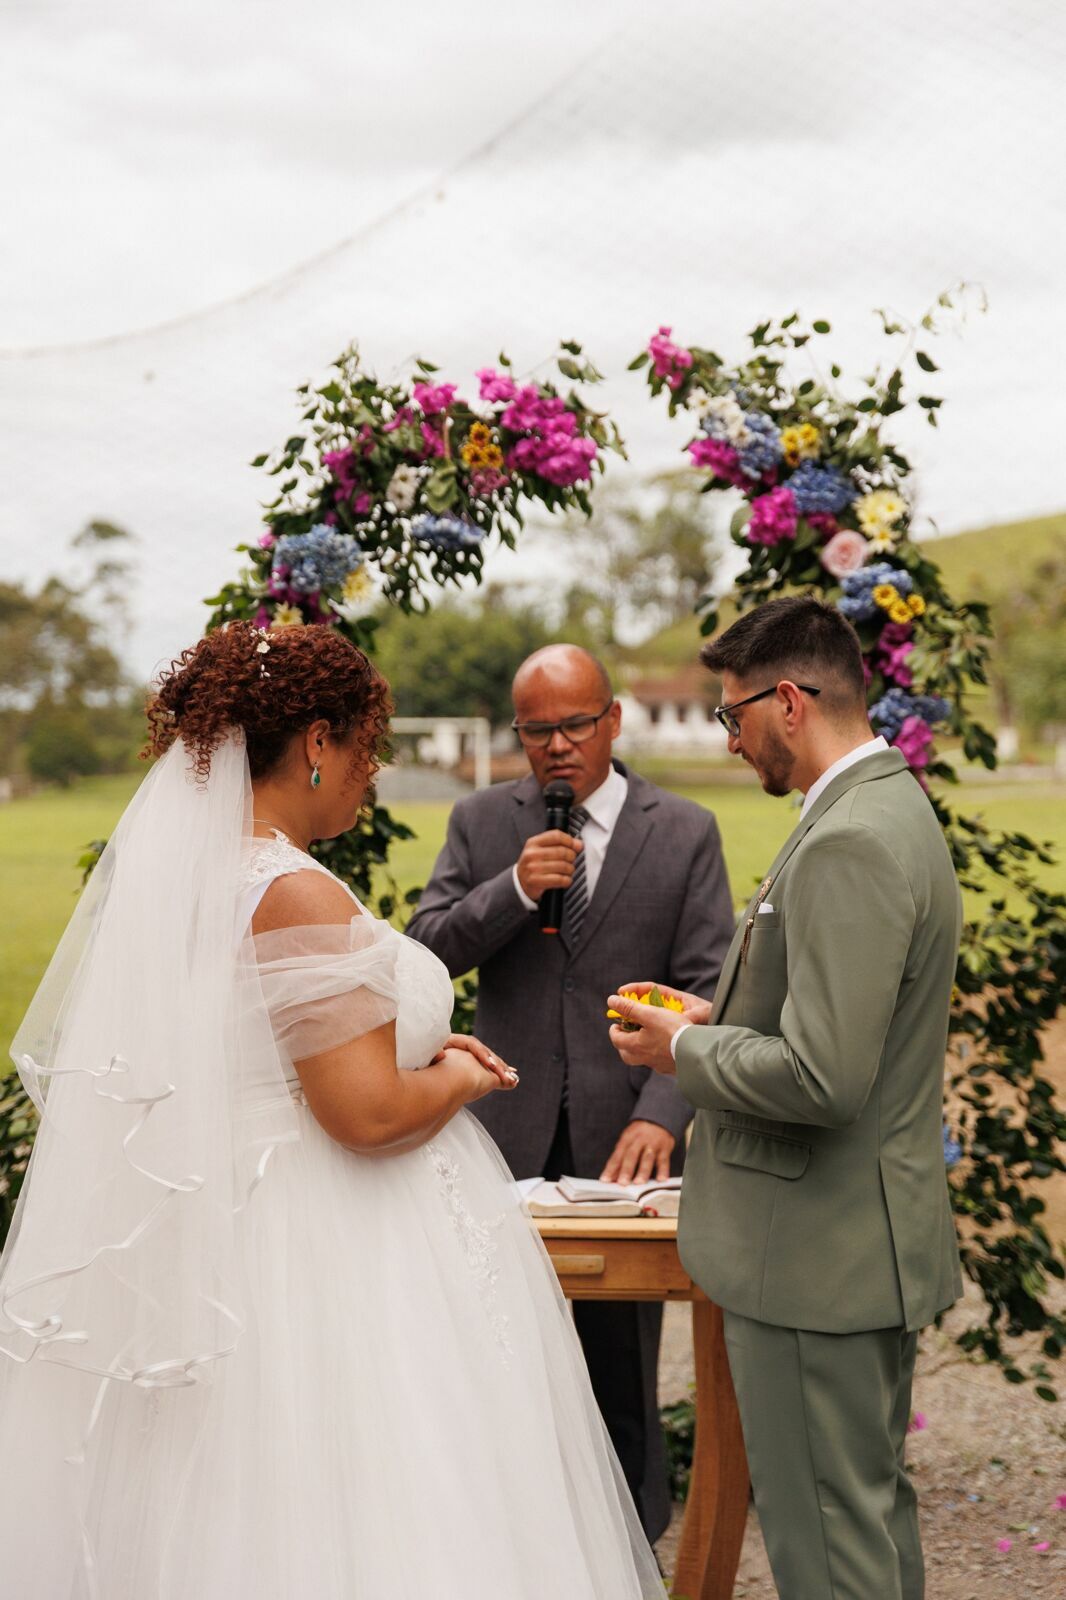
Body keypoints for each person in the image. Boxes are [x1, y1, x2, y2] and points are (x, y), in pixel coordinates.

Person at [0, 622, 667, 1600]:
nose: (374, 776)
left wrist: (414, 1048)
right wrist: (466, 1077)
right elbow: (363, 1112)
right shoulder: (290, 889)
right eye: (369, 750)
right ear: (317, 742)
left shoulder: (211, 880)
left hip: (250, 1220)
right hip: (332, 1252)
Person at [606, 596, 963, 1600]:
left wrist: (683, 1052)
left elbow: (822, 1076)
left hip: (818, 1253)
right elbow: (835, 1019)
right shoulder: (880, 805)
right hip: (847, 1242)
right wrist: (709, 1015)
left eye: (732, 715)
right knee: (861, 1518)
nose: (729, 741)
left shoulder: (850, 836)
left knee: (827, 1545)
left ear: (790, 701)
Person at [407, 643, 735, 1541]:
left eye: (575, 725)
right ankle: (513, 1545)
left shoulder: (686, 830)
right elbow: (427, 951)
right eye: (537, 729)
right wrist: (514, 888)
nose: (557, 745)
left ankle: (633, 1548)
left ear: (613, 721)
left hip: (628, 1141)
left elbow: (710, 984)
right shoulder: (482, 823)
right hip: (500, 1133)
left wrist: (663, 1114)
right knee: (499, 1354)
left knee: (622, 1367)